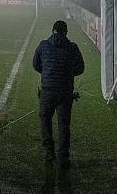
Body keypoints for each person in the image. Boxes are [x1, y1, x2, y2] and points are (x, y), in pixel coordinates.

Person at [33, 20, 84, 167]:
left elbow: (35, 65)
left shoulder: (43, 45)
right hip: (65, 92)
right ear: (66, 32)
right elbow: (80, 68)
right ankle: (63, 157)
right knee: (64, 125)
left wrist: (48, 73)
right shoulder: (73, 47)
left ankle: (49, 152)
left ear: (52, 30)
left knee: (45, 120)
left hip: (47, 91)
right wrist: (67, 74)